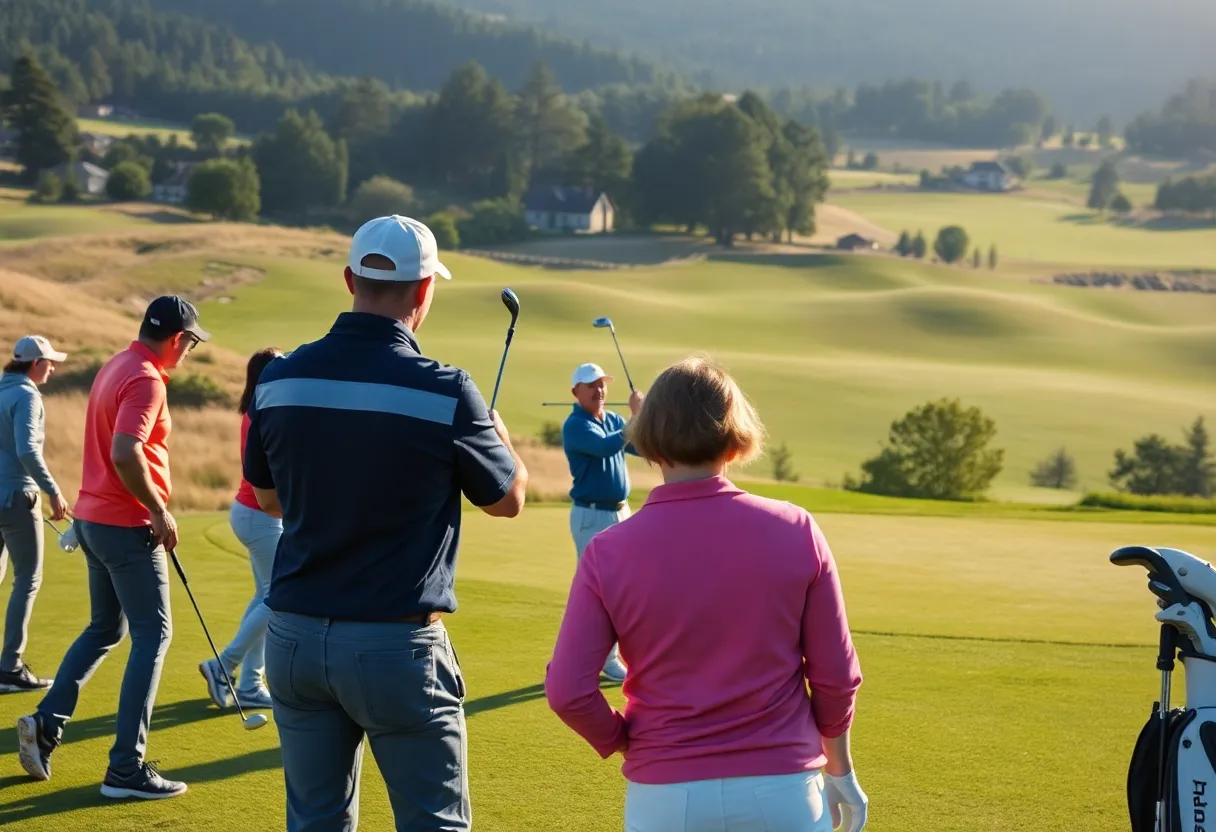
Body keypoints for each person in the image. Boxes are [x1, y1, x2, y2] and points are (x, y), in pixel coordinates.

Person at [242, 214, 529, 831]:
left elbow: (268, 500)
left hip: (292, 640)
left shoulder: (278, 378)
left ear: (350, 279)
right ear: (425, 291)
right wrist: (499, 437)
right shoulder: (446, 389)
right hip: (394, 647)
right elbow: (507, 500)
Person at [545, 356, 869, 832]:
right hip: (782, 790)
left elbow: (568, 692)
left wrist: (625, 739)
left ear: (650, 440)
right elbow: (836, 678)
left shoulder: (607, 551)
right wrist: (839, 770)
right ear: (734, 438)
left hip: (663, 798)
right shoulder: (796, 528)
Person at [17, 296, 210, 800]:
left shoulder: (118, 364)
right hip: (126, 526)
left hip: (95, 520)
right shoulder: (146, 379)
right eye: (189, 342)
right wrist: (159, 509)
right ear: (175, 339)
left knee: (106, 627)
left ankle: (46, 723)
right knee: (154, 635)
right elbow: (125, 452)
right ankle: (126, 766)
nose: (188, 350)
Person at [198, 347, 284, 712]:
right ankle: (224, 665)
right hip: (260, 516)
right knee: (278, 597)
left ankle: (250, 683)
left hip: (251, 514)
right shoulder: (266, 412)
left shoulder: (255, 409)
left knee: (265, 595)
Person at [561, 362, 643, 682]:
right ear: (576, 392)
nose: (600, 390)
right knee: (600, 589)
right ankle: (605, 659)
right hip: (591, 515)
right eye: (591, 385)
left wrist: (649, 419)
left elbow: (637, 445)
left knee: (626, 586)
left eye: (602, 384)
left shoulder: (611, 418)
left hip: (621, 512)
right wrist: (635, 417)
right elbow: (606, 446)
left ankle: (620, 653)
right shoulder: (575, 425)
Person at [0, 336, 71, 692]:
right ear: (35, 364)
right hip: (16, 496)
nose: (53, 368)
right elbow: (28, 449)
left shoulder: (1, 391)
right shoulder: (27, 395)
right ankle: (10, 667)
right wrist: (53, 491)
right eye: (49, 362)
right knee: (27, 579)